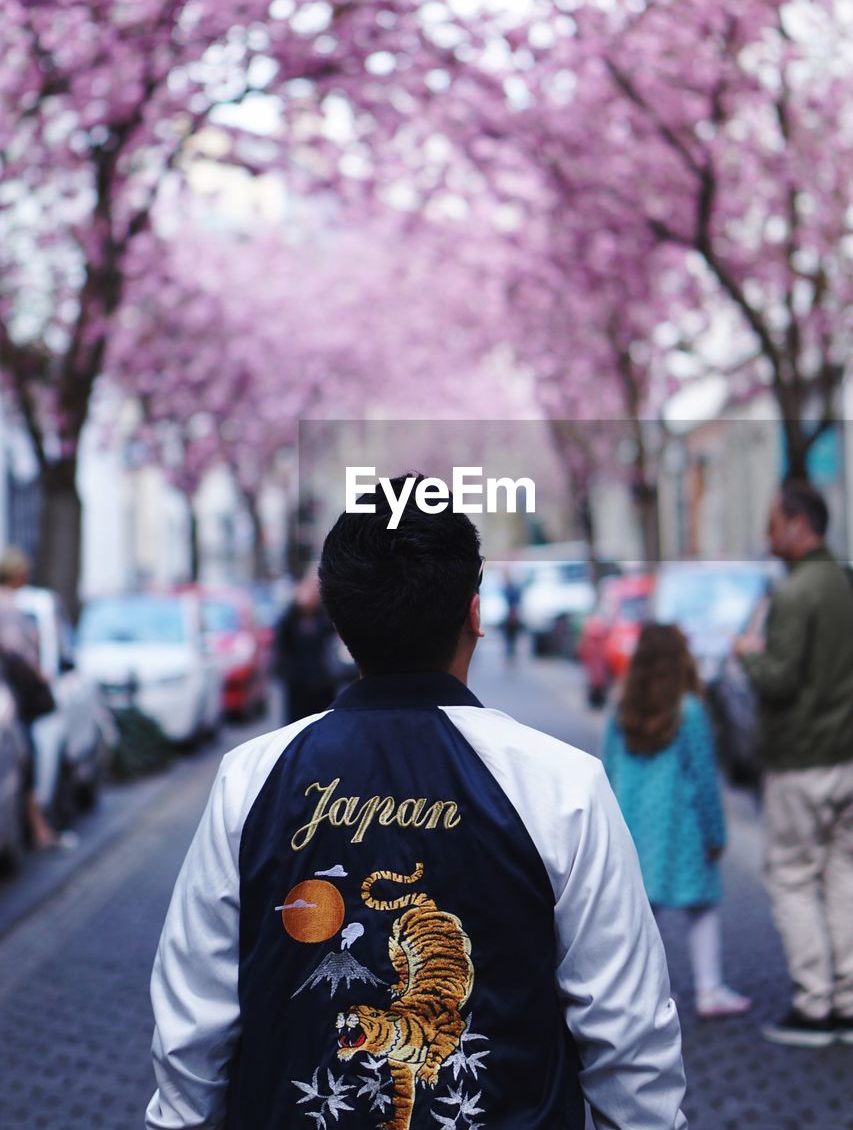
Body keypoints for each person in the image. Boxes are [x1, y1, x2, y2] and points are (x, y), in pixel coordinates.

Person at [147, 475, 686, 1130]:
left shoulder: (251, 780)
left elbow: (191, 1031)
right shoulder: (562, 786)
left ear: (340, 628)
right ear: (475, 614)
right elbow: (628, 1037)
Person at [735, 480, 853, 1047]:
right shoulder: (844, 583)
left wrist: (747, 659)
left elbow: (778, 682)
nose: (768, 533)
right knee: (844, 875)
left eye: (774, 522)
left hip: (800, 759)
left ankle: (814, 1006)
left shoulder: (794, 594)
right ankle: (849, 1002)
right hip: (847, 758)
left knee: (793, 879)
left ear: (799, 524)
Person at [603, 624, 750, 1020]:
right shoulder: (690, 711)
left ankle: (645, 993)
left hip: (632, 825)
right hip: (682, 828)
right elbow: (704, 777)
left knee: (641, 916)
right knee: (701, 908)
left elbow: (608, 768)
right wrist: (716, 832)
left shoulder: (622, 708)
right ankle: (709, 989)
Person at [0, 546, 72, 851]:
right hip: (16, 701)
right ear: (17, 574)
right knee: (26, 764)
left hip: (13, 699)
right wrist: (39, 670)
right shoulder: (9, 606)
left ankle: (38, 829)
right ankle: (39, 831)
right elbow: (18, 652)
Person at [273, 571, 338, 723]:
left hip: (322, 680)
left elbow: (330, 634)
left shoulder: (323, 614)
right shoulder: (292, 615)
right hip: (298, 682)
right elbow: (282, 639)